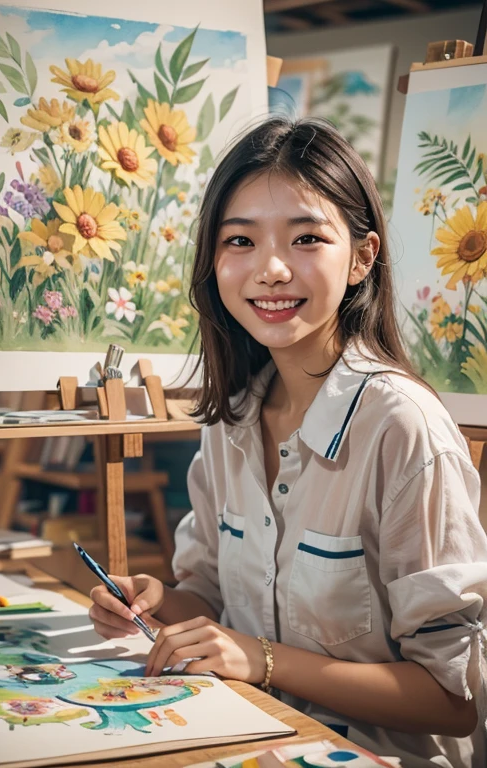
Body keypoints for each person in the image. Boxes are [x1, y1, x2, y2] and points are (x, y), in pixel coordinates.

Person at [89, 117, 487, 767]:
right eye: (239, 240)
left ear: (362, 257)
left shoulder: (403, 427)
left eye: (306, 237)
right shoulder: (231, 418)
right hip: (245, 731)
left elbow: (453, 699)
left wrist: (263, 661)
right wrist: (158, 603)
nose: (270, 269)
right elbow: (214, 597)